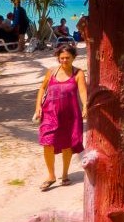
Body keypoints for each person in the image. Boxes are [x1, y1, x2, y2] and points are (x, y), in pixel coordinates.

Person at [34, 44, 87, 191]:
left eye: (67, 58)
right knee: (47, 142)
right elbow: (43, 88)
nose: (64, 61)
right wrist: (38, 106)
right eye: (61, 58)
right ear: (58, 58)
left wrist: (86, 106)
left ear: (74, 58)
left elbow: (82, 92)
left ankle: (64, 175)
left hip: (70, 114)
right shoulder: (51, 72)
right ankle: (51, 176)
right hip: (49, 113)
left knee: (67, 143)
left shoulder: (78, 73)